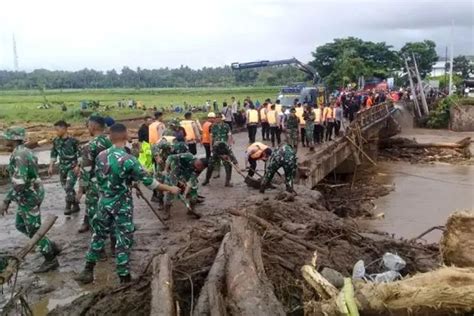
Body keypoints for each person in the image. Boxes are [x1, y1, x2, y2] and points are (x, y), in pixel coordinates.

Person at [75, 123, 180, 285]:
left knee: (98, 235)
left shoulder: (100, 156)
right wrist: (170, 189)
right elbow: (151, 183)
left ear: (110, 137)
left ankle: (87, 270)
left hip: (103, 202)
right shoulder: (129, 160)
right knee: (123, 238)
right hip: (121, 205)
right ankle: (124, 276)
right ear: (125, 137)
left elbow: (102, 177)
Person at [1, 127, 60, 273]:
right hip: (29, 193)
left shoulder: (20, 155)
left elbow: (19, 183)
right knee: (20, 225)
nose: (3, 140)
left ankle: (50, 259)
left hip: (29, 196)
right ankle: (50, 246)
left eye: (5, 137)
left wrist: (6, 200)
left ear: (12, 139)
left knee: (34, 229)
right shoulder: (24, 151)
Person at [76, 116, 113, 233]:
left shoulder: (90, 146)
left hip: (96, 185)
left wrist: (81, 189)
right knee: (111, 213)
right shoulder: (112, 142)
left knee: (95, 216)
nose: (88, 129)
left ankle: (98, 246)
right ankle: (114, 243)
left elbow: (85, 170)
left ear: (93, 126)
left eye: (88, 126)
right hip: (113, 184)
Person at [162, 152, 208, 219]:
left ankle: (191, 210)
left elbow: (190, 183)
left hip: (184, 178)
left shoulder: (198, 170)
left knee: (193, 192)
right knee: (170, 192)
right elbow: (170, 157)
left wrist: (185, 194)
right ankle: (167, 213)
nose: (200, 170)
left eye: (202, 169)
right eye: (201, 167)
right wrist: (165, 170)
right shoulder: (188, 156)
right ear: (199, 163)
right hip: (175, 173)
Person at [49, 120, 80, 214]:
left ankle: (68, 205)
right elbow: (53, 154)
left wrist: (78, 166)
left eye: (57, 130)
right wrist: (51, 166)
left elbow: (80, 154)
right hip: (62, 167)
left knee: (69, 186)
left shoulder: (73, 141)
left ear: (64, 129)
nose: (56, 132)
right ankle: (75, 204)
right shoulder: (56, 141)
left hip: (72, 166)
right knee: (65, 187)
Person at [151, 140, 174, 206]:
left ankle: (169, 202)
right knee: (159, 185)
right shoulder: (160, 146)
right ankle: (160, 201)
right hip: (160, 169)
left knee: (171, 184)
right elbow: (154, 149)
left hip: (170, 166)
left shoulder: (173, 149)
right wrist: (157, 157)